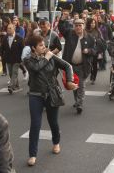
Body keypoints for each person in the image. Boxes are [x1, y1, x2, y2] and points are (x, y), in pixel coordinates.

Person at [23, 35, 78, 166]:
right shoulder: (28, 60)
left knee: (53, 121)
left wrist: (69, 81)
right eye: (41, 45)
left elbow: (67, 66)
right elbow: (36, 68)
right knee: (35, 124)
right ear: (33, 48)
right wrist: (47, 57)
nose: (44, 47)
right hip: (35, 95)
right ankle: (32, 154)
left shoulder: (51, 57)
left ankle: (56, 142)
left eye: (44, 44)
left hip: (52, 93)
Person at [58, 18, 95, 114]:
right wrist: (62, 19)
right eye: (76, 25)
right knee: (73, 84)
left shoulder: (89, 37)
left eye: (80, 25)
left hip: (83, 66)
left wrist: (89, 51)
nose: (78, 27)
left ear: (83, 26)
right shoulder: (70, 34)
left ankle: (80, 104)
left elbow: (95, 50)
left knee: (81, 85)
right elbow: (61, 29)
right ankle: (77, 100)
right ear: (74, 26)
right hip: (70, 66)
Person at [0, 23, 25, 94]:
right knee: (11, 73)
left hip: (17, 59)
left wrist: (23, 59)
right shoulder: (5, 38)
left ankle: (11, 86)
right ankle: (17, 85)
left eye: (10, 28)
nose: (8, 30)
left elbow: (23, 49)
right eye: (7, 28)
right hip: (8, 59)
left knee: (14, 72)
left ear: (14, 29)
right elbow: (1, 47)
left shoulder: (19, 38)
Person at [85, 18, 105, 84]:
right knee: (89, 64)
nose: (93, 24)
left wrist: (97, 40)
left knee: (95, 64)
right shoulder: (86, 31)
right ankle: (91, 74)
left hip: (96, 50)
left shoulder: (97, 31)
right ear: (89, 23)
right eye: (91, 23)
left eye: (94, 23)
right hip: (88, 50)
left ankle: (93, 78)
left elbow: (102, 40)